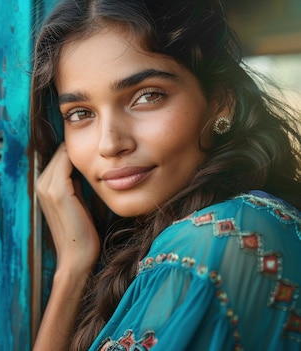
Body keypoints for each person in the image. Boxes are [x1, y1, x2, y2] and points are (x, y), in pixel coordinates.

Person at [30, 0, 301, 350]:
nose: (110, 143)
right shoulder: (240, 222)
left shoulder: (216, 244)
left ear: (222, 101)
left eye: (147, 96)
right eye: (80, 113)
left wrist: (70, 274)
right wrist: (73, 264)